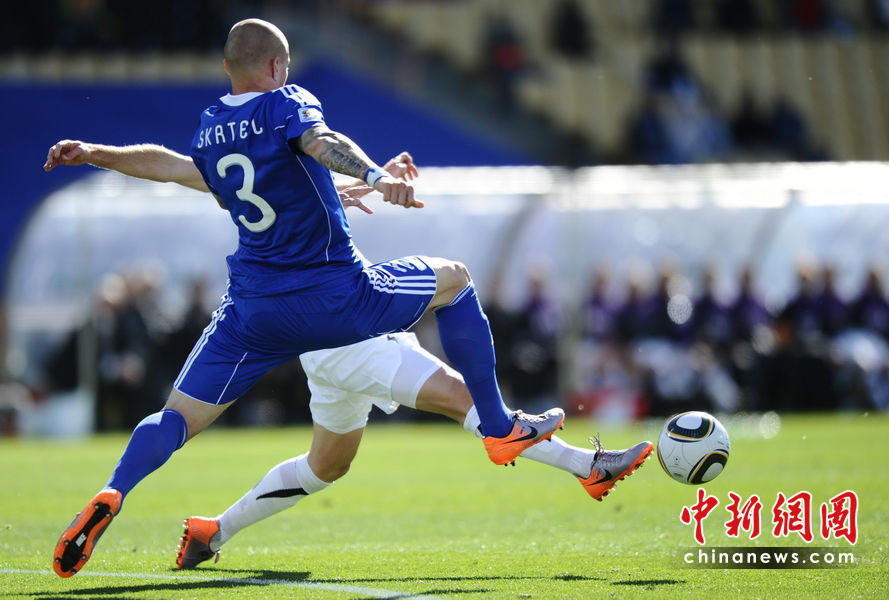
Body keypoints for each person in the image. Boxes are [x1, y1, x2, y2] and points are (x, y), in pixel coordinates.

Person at [43, 19, 652, 578]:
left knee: (245, 439)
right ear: (277, 66)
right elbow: (318, 139)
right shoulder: (286, 103)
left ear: (228, 68)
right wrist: (376, 177)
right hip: (339, 312)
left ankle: (127, 496)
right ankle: (518, 436)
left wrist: (96, 153)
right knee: (456, 286)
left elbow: (183, 169)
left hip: (257, 312)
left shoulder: (211, 129)